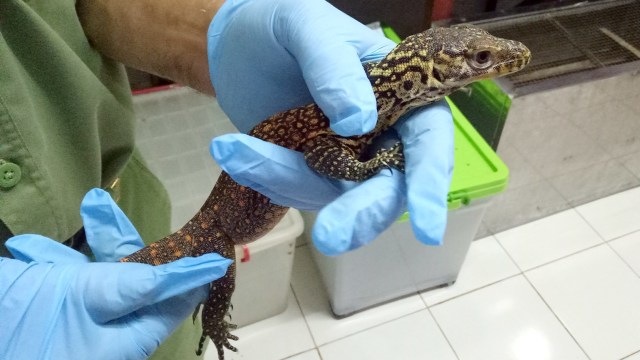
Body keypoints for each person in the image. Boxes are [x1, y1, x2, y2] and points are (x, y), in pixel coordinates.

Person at [0, 0, 454, 359]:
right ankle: (213, 322)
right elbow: (321, 151)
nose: (491, 65)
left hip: (116, 203)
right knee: (216, 272)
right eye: (478, 59)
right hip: (211, 233)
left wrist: (212, 29)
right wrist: (366, 166)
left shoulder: (367, 93)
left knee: (162, 313)